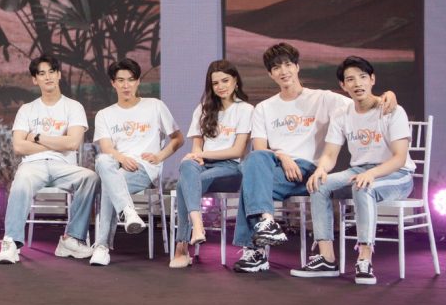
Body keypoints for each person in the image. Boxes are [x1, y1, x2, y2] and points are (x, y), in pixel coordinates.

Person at [232, 42, 395, 273]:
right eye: (276, 68)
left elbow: (362, 100)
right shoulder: (264, 108)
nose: (283, 71)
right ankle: (266, 222)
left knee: (251, 184)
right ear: (270, 74)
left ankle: (256, 251)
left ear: (297, 67)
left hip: (308, 171)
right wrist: (283, 156)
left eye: (287, 64)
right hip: (277, 168)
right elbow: (259, 150)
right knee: (254, 165)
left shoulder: (323, 99)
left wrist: (387, 96)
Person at [296, 56, 414, 284]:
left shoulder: (392, 110)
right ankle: (326, 258)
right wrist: (321, 170)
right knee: (318, 185)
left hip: (397, 174)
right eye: (350, 79)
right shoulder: (342, 114)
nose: (357, 83)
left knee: (362, 186)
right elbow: (330, 154)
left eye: (362, 77)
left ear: (372, 80)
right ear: (343, 85)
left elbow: (399, 159)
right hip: (359, 170)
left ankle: (364, 259)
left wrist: (372, 174)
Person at [0, 55, 97, 264]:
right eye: (42, 74)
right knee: (21, 180)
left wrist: (37, 137)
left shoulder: (73, 107)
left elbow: (73, 143)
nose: (48, 77)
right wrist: (58, 142)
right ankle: (11, 242)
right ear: (35, 79)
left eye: (52, 72)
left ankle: (71, 239)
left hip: (63, 165)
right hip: (33, 165)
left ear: (59, 75)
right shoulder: (27, 109)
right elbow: (18, 146)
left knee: (90, 178)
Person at [90, 58, 184, 266]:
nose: (126, 85)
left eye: (131, 80)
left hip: (144, 168)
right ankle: (128, 211)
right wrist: (122, 158)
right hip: (117, 165)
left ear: (138, 81)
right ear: (113, 83)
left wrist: (159, 156)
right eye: (121, 80)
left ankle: (102, 246)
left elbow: (178, 138)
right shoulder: (105, 115)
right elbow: (106, 148)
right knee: (103, 160)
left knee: (109, 185)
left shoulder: (155, 106)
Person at [170, 60, 252, 268]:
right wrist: (196, 156)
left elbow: (237, 151)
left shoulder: (245, 110)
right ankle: (197, 226)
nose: (221, 86)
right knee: (187, 166)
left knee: (183, 183)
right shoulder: (203, 109)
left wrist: (202, 154)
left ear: (235, 80)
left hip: (231, 168)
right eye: (215, 83)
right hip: (204, 165)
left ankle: (182, 246)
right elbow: (196, 148)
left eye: (225, 80)